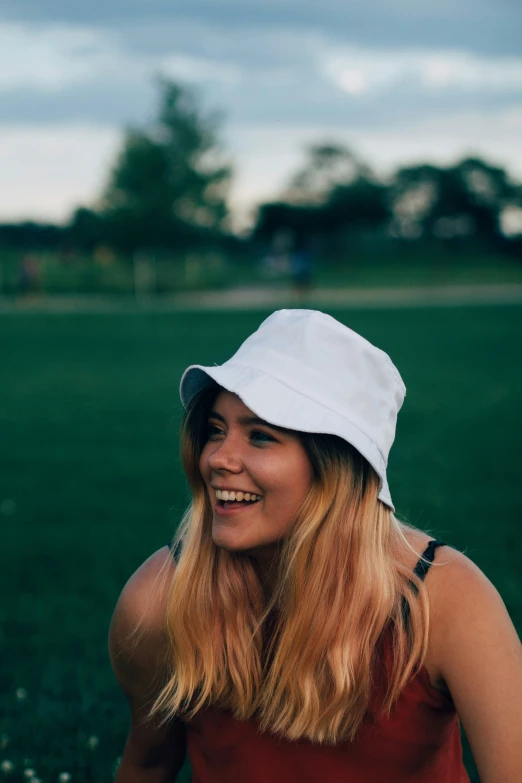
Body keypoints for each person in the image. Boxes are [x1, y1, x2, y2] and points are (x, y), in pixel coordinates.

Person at [109, 309, 522, 783]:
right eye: (216, 430)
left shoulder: (446, 602)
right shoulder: (159, 600)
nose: (218, 458)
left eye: (261, 437)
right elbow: (147, 763)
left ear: (337, 470)